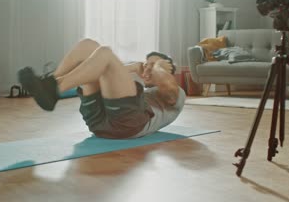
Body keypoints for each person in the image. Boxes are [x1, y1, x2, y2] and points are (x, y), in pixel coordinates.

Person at [18, 38, 186, 139]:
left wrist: (159, 67)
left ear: (167, 70)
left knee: (105, 52)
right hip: (98, 122)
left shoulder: (178, 93)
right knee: (88, 45)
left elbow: (167, 89)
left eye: (154, 65)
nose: (148, 69)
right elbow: (103, 69)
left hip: (130, 124)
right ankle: (50, 82)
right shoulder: (135, 89)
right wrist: (135, 67)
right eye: (146, 64)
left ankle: (55, 88)